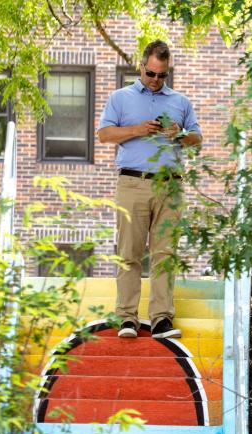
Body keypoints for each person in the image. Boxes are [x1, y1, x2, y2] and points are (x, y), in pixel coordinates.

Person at [97, 40, 202, 340]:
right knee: (129, 252)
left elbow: (197, 138)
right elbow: (104, 134)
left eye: (162, 75)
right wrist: (138, 129)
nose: (155, 80)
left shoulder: (180, 102)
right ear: (141, 66)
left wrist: (179, 135)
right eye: (151, 73)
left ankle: (161, 320)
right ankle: (127, 318)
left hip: (170, 186)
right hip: (132, 182)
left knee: (164, 254)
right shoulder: (120, 98)